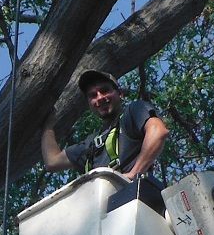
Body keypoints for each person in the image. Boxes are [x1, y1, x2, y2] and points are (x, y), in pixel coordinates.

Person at [41, 69, 169, 181]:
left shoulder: (133, 112)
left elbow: (158, 132)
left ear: (120, 94)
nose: (100, 97)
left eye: (104, 90)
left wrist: (134, 174)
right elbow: (52, 161)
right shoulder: (90, 145)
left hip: (132, 198)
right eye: (93, 95)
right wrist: (48, 126)